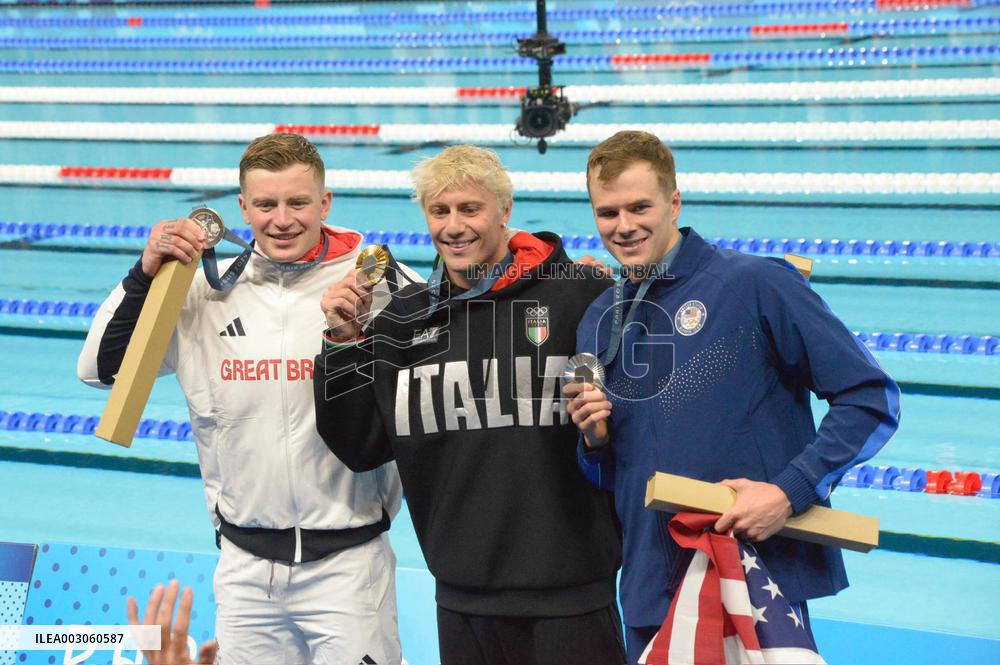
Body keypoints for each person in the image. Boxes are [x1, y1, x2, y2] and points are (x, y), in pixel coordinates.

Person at [563, 130, 901, 664]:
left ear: (674, 202)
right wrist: (595, 441)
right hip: (652, 585)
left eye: (639, 207)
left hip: (755, 581)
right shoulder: (600, 319)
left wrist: (790, 491)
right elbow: (614, 475)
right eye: (607, 213)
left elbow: (870, 398)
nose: (624, 226)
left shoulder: (754, 284)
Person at [78, 133, 403, 665]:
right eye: (266, 205)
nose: (282, 220)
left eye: (298, 203)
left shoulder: (376, 286)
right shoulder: (200, 290)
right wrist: (145, 274)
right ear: (242, 208)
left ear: (325, 203)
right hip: (245, 574)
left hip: (351, 570)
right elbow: (99, 370)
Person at [314, 145, 626, 665]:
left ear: (504, 211)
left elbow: (636, 420)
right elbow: (358, 445)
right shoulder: (401, 323)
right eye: (440, 211)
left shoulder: (582, 294)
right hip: (462, 600)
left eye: (470, 209)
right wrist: (343, 343)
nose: (454, 226)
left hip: (574, 597)